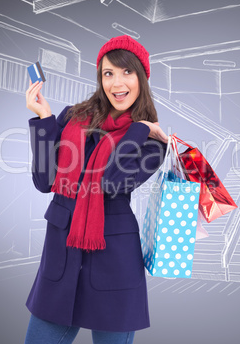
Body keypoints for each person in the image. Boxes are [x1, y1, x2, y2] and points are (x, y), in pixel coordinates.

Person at [24, 35, 169, 344]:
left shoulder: (151, 143)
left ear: (142, 77)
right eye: (108, 73)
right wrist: (44, 120)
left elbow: (111, 181)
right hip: (61, 257)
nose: (117, 83)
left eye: (127, 72)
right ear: (100, 78)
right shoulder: (72, 118)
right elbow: (44, 181)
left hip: (113, 262)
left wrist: (141, 127)